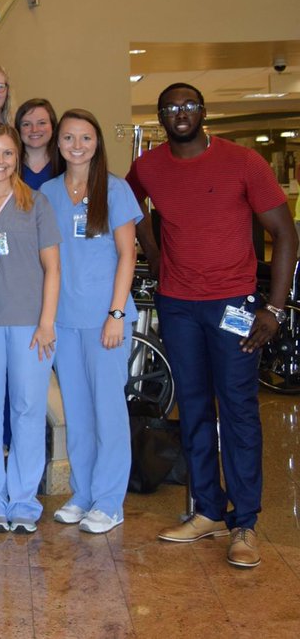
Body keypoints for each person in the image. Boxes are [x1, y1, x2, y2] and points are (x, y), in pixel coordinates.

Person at [129, 83, 297, 568]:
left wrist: (275, 309)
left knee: (239, 410)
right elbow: (126, 205)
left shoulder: (243, 162)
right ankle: (207, 510)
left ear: (203, 112)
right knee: (194, 408)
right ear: (160, 116)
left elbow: (285, 233)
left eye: (188, 106)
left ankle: (244, 523)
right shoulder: (149, 166)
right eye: (170, 107)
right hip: (178, 305)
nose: (179, 113)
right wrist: (155, 252)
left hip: (233, 304)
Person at [41, 109, 139, 535]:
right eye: (68, 138)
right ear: (58, 144)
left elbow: (128, 255)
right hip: (65, 320)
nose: (76, 145)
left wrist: (116, 314)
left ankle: (109, 501)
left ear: (97, 142)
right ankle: (82, 494)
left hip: (105, 320)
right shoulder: (47, 192)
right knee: (78, 413)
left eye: (85, 137)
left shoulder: (114, 189)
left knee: (108, 412)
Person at [0, 124, 60, 534]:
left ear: (17, 158)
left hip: (29, 325)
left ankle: (23, 501)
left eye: (8, 153)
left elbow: (53, 268)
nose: (0, 161)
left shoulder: (35, 203)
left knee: (27, 411)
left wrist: (46, 323)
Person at [15, 98, 59, 190]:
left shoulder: (65, 166)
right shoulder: (7, 166)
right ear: (18, 129)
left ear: (53, 126)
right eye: (26, 124)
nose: (34, 130)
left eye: (42, 123)